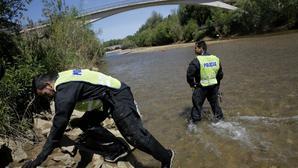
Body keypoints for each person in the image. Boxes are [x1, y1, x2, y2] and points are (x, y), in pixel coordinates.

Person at [23, 69, 174, 168]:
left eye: (44, 93)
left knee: (135, 136)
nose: (47, 96)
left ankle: (166, 156)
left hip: (117, 95)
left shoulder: (64, 90)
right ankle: (117, 149)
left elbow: (57, 129)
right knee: (82, 122)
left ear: (48, 85)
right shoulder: (62, 77)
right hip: (105, 99)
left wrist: (38, 160)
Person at [186, 40, 224, 123]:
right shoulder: (216, 58)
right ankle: (221, 121)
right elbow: (220, 75)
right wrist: (216, 86)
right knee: (215, 106)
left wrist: (193, 85)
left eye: (195, 48)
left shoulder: (196, 61)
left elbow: (189, 76)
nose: (194, 50)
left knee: (197, 107)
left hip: (201, 87)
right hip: (213, 87)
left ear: (201, 48)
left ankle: (195, 126)